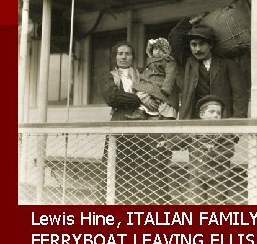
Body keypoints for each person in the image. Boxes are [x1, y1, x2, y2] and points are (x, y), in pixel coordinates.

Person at [99, 41, 167, 204]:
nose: (124, 57)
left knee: (144, 165)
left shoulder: (143, 74)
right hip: (120, 121)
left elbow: (156, 91)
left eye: (127, 53)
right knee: (117, 164)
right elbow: (113, 97)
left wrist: (150, 98)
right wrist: (140, 98)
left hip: (143, 122)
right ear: (115, 57)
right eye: (120, 53)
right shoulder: (109, 76)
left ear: (133, 57)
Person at [168, 16, 248, 119]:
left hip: (221, 119)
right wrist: (189, 22)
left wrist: (237, 120)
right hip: (194, 119)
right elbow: (174, 37)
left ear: (211, 45)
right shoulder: (187, 62)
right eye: (194, 44)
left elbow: (240, 95)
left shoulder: (229, 65)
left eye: (202, 44)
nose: (198, 49)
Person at [172, 95, 238, 204]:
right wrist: (167, 143)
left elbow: (229, 151)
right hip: (196, 174)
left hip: (217, 176)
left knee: (215, 202)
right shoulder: (194, 131)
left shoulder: (224, 133)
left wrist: (213, 152)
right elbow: (180, 141)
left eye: (218, 113)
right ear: (202, 114)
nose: (216, 115)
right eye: (211, 112)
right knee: (194, 201)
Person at [127, 38, 178, 120]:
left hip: (160, 84)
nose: (157, 51)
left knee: (163, 104)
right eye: (155, 48)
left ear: (165, 51)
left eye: (161, 49)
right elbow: (146, 73)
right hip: (149, 84)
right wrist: (142, 81)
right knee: (142, 94)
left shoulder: (168, 61)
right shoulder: (149, 61)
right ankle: (140, 112)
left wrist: (166, 88)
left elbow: (170, 75)